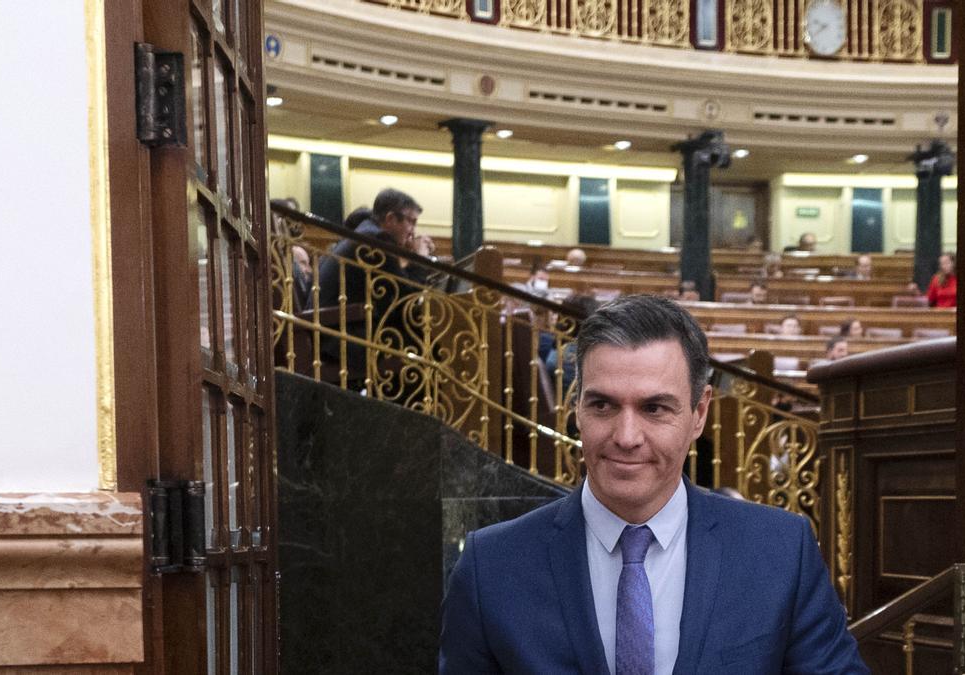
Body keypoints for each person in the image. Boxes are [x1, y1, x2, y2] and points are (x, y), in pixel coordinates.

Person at [439, 295, 867, 674]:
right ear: (576, 408)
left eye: (654, 408)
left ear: (699, 413)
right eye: (603, 405)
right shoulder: (490, 568)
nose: (626, 437)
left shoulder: (779, 551)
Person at [314, 189, 424, 384]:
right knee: (429, 342)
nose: (413, 231)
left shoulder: (366, 233)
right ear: (390, 218)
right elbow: (405, 297)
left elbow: (393, 295)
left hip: (333, 331)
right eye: (411, 222)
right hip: (342, 339)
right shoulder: (376, 240)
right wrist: (419, 259)